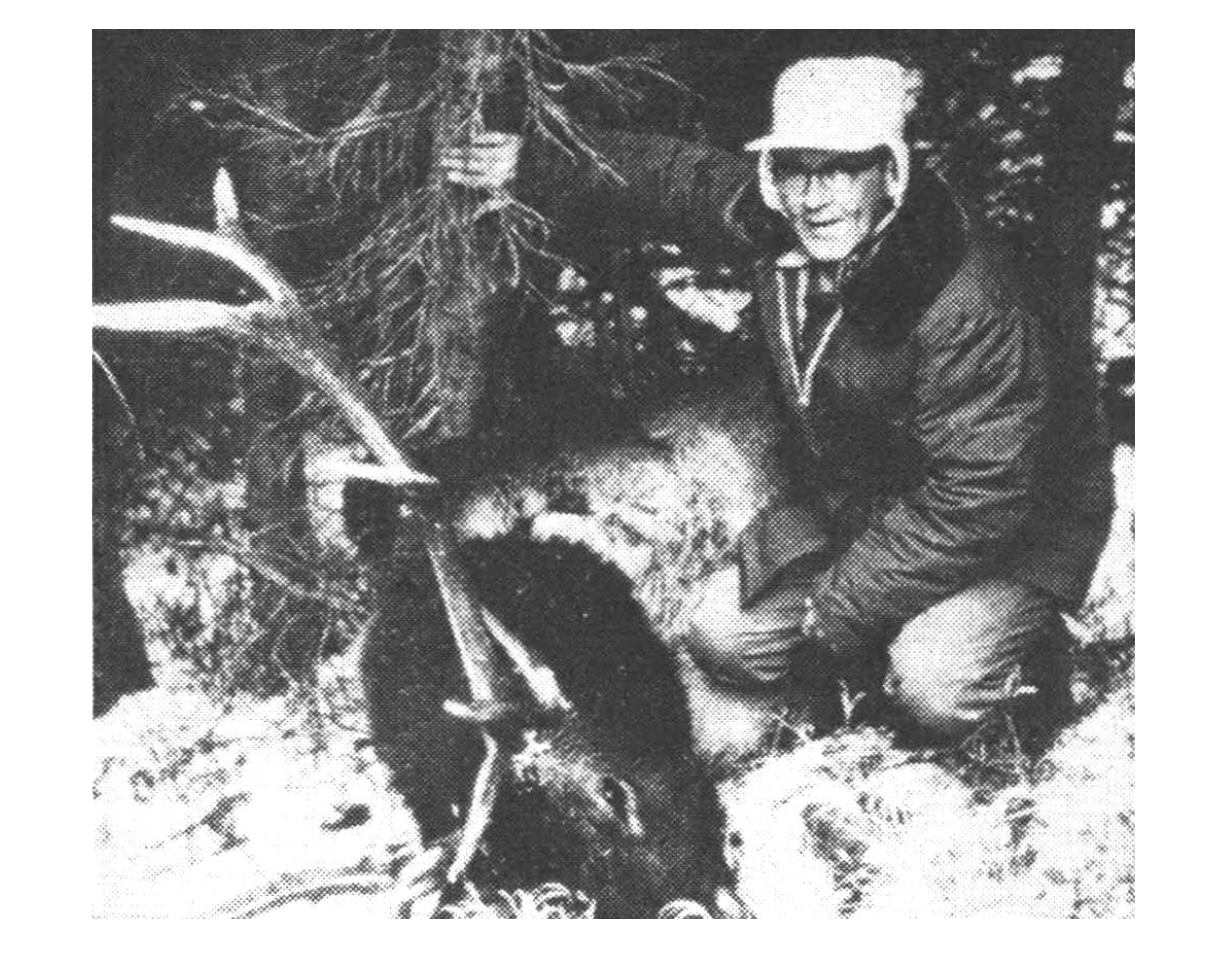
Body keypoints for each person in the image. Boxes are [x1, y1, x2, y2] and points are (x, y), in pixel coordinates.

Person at [442, 56, 1114, 747]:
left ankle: (1020, 670)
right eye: (794, 167)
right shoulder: (787, 217)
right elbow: (677, 179)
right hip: (863, 501)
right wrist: (538, 165)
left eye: (841, 168)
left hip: (1012, 529)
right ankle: (837, 698)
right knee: (719, 633)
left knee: (930, 684)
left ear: (890, 170)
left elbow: (981, 496)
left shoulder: (962, 299)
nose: (813, 196)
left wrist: (837, 606)